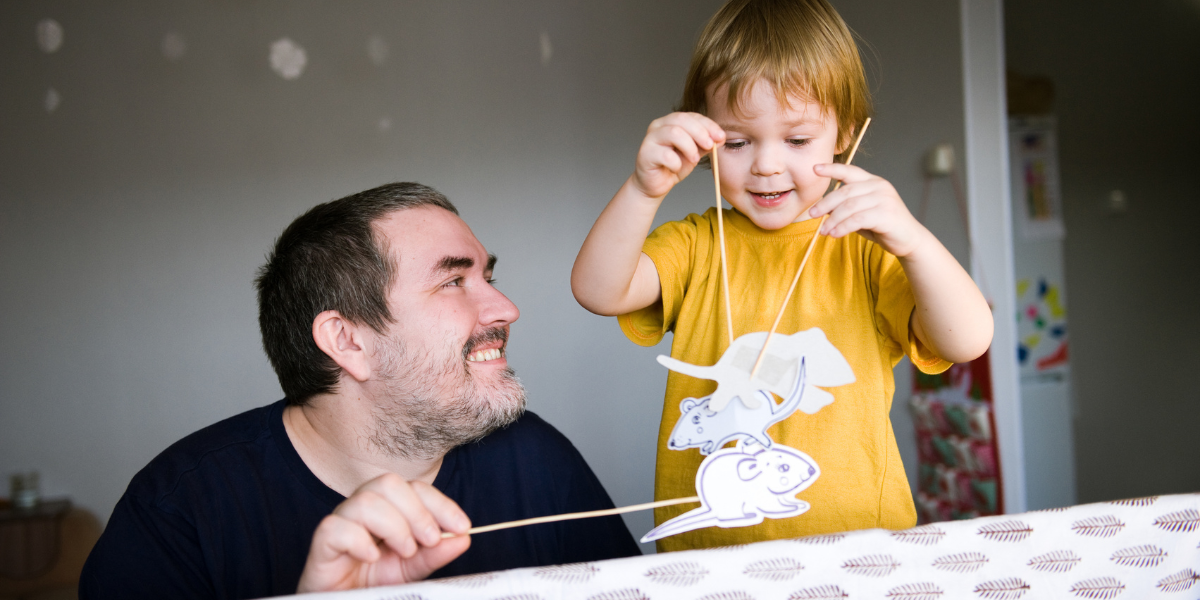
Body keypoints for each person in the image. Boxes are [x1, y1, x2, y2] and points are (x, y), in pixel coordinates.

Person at [571, 0, 993, 552]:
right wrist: (642, 189)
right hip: (709, 563)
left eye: (796, 140)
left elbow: (968, 340)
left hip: (860, 551)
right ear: (705, 139)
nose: (767, 165)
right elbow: (598, 291)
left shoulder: (863, 248)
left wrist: (913, 241)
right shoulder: (697, 243)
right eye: (738, 142)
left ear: (845, 132)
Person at [81, 182, 640, 599]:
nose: (507, 309)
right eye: (452, 282)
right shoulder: (179, 509)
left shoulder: (535, 457)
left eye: (487, 278)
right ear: (348, 340)